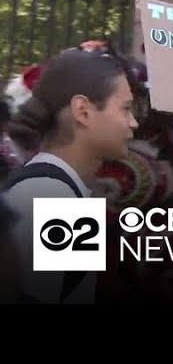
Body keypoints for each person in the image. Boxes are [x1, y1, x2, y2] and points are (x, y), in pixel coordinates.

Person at [1, 47, 139, 304]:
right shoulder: (50, 195)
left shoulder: (61, 191)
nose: (134, 122)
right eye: (125, 109)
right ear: (83, 111)